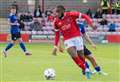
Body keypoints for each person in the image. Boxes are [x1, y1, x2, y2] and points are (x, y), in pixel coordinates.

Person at [52, 5, 97, 79]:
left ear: (61, 12)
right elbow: (57, 34)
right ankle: (86, 69)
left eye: (56, 12)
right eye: (54, 12)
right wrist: (55, 46)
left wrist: (91, 23)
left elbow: (85, 16)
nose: (55, 14)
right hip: (68, 40)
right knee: (73, 55)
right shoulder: (56, 22)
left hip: (78, 38)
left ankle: (85, 70)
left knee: (81, 56)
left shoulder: (71, 14)